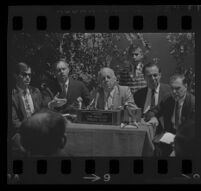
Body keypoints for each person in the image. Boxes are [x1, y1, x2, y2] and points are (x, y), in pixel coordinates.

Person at [146, 74, 195, 157]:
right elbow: (152, 111)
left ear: (185, 86)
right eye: (172, 88)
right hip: (169, 136)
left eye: (177, 88)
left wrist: (177, 148)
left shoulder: (193, 103)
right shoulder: (168, 99)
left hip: (186, 140)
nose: (174, 92)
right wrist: (154, 117)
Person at [134, 62, 172, 134]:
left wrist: (157, 119)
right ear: (144, 77)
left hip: (162, 131)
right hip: (142, 130)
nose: (152, 78)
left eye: (155, 75)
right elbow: (134, 113)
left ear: (160, 75)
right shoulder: (138, 94)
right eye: (149, 76)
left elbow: (172, 114)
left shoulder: (170, 92)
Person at [11, 62, 44, 136]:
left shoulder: (36, 91)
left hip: (39, 133)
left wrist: (51, 105)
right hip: (21, 135)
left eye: (29, 75)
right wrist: (32, 128)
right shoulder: (12, 96)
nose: (28, 77)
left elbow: (42, 112)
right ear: (16, 75)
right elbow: (15, 123)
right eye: (24, 74)